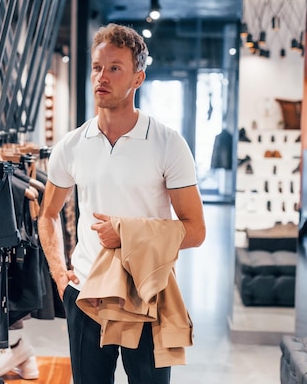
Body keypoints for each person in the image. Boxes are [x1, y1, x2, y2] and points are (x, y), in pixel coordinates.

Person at [37, 23, 206, 384]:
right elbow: (47, 215)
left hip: (146, 292)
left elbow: (195, 231)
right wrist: (58, 275)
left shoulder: (167, 143)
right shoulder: (71, 145)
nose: (102, 76)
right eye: (98, 67)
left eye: (115, 68)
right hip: (85, 293)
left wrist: (127, 235)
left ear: (138, 78)